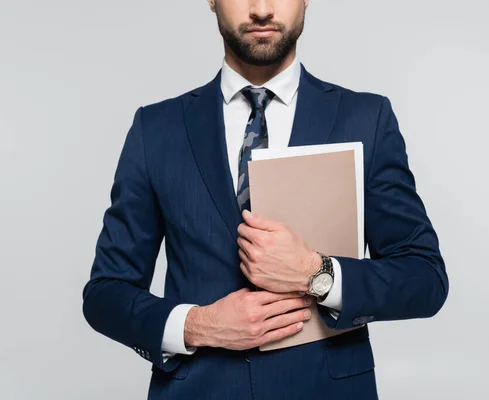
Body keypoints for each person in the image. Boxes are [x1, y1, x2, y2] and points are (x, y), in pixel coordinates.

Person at [82, 0, 449, 398]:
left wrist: (317, 272)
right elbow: (106, 292)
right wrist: (198, 325)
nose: (261, 9)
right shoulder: (155, 129)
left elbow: (424, 277)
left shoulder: (367, 118)